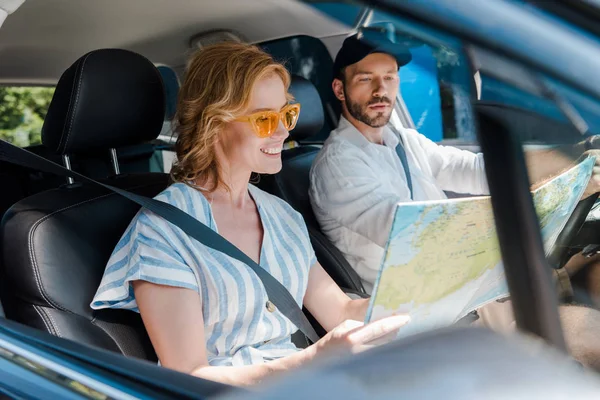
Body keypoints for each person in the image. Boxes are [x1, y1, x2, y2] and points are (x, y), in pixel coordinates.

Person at [90, 42, 409, 387]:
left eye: (285, 114)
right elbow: (189, 374)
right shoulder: (162, 232)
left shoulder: (281, 215)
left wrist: (419, 298)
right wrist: (312, 360)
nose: (283, 131)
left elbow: (341, 312)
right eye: (264, 119)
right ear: (214, 123)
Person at [309, 34, 600, 294]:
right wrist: (564, 192)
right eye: (365, 79)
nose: (381, 90)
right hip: (426, 305)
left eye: (390, 77)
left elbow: (479, 171)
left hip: (460, 282)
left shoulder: (403, 141)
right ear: (338, 89)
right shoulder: (339, 165)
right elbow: (416, 235)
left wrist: (576, 155)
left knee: (588, 268)